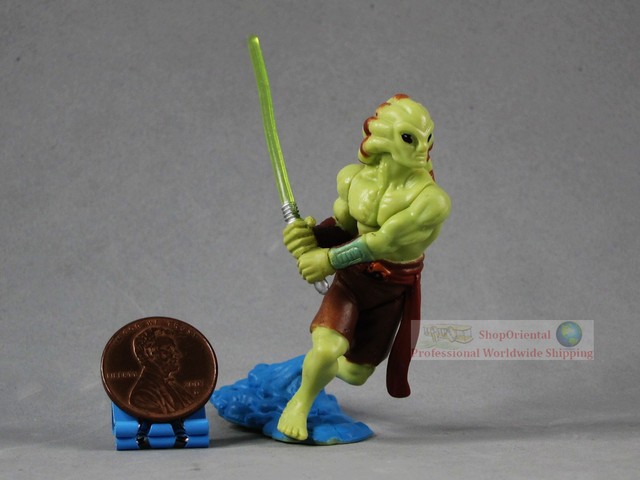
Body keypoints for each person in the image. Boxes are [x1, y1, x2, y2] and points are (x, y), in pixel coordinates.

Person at [277, 94, 451, 441]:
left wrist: (326, 260)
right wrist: (310, 236)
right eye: (410, 138)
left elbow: (380, 242)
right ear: (384, 136)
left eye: (428, 138)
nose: (423, 149)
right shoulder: (353, 179)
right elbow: (344, 227)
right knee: (328, 349)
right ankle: (300, 402)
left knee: (356, 374)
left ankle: (311, 366)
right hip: (352, 282)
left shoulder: (430, 200)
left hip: (391, 290)